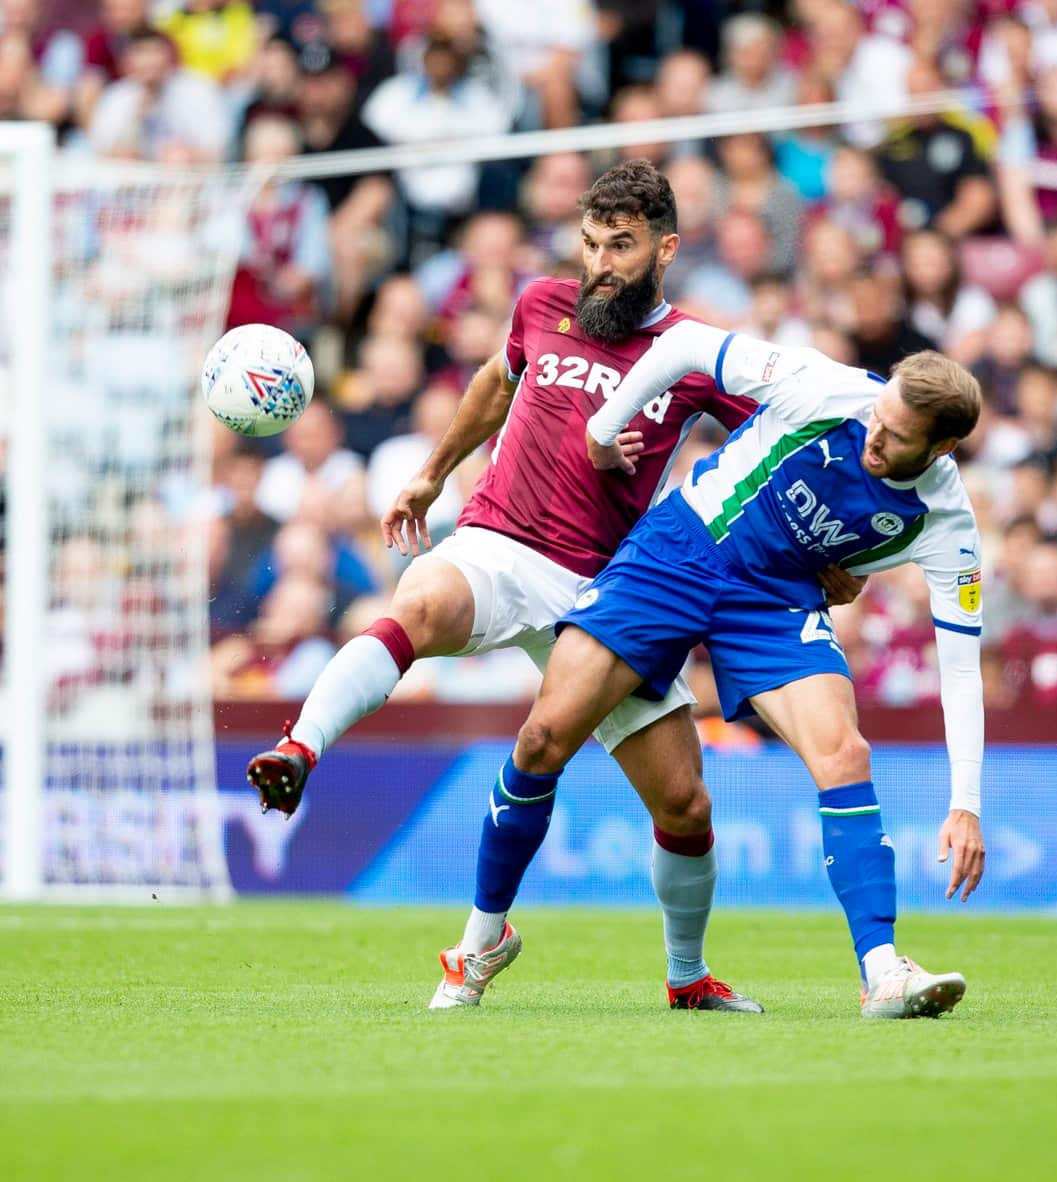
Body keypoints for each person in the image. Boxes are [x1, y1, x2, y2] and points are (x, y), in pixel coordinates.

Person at [247, 160, 791, 1012]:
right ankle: (301, 749)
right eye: (590, 244)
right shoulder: (541, 304)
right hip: (500, 544)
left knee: (684, 803)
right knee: (418, 606)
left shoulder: (691, 350)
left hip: (610, 590)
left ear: (666, 248)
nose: (601, 263)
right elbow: (498, 383)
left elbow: (772, 441)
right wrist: (433, 474)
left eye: (622, 246)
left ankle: (687, 976)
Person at [483, 327, 988, 1018]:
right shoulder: (825, 387)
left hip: (774, 598)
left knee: (844, 753)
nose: (875, 435)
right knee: (545, 736)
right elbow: (686, 341)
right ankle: (479, 942)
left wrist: (966, 805)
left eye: (897, 437)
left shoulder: (948, 521)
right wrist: (604, 428)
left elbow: (961, 669)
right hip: (685, 547)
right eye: (880, 415)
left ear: (942, 449)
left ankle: (882, 974)